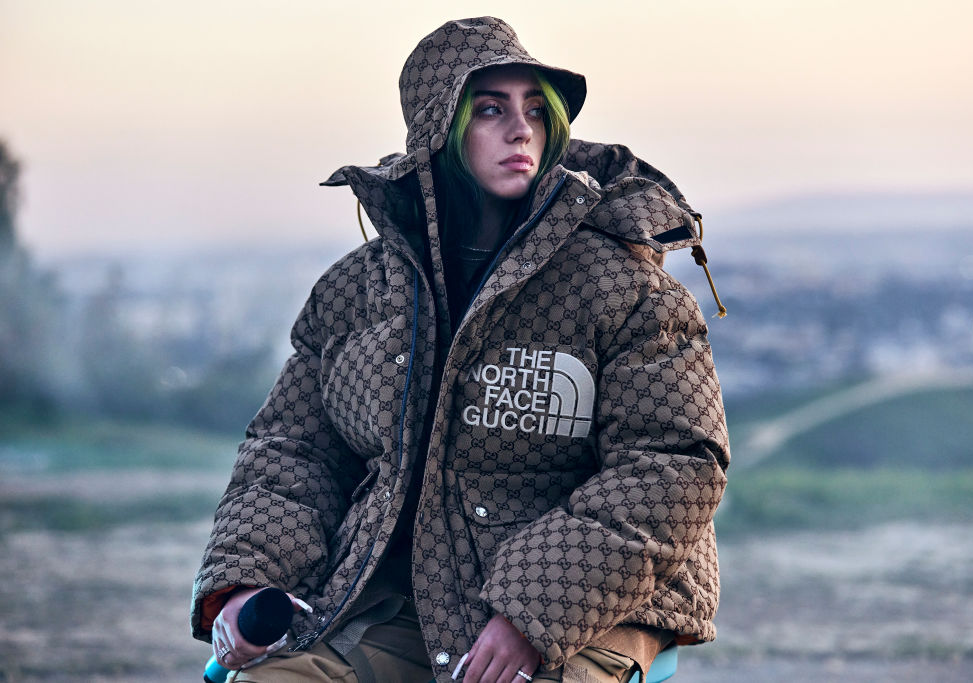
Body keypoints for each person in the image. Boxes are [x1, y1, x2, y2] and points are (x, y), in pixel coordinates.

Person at [191, 16, 729, 683]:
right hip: (403, 597)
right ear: (438, 131)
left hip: (594, 606)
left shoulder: (624, 286)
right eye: (490, 110)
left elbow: (673, 466)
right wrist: (249, 580)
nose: (521, 129)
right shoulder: (357, 291)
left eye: (536, 110)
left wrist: (531, 614)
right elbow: (293, 451)